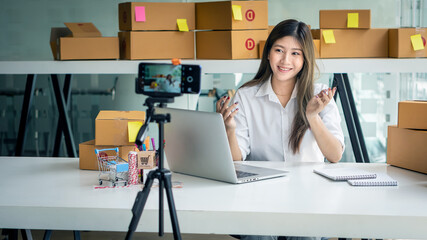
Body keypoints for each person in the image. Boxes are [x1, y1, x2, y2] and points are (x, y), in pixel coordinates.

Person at [216, 19, 345, 240]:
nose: (286, 60)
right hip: (260, 195)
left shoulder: (320, 94)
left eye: (296, 53)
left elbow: (335, 155)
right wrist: (228, 128)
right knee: (260, 235)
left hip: (310, 195)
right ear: (268, 53)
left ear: (305, 59)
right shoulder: (246, 96)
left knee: (306, 235)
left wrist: (312, 116)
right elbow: (237, 160)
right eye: (279, 50)